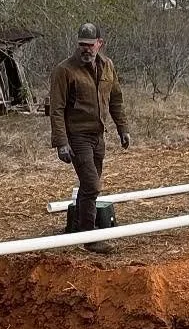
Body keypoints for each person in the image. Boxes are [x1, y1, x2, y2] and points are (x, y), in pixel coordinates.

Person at [49, 22, 130, 233]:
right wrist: (61, 143)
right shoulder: (64, 70)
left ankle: (80, 228)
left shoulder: (107, 65)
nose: (85, 49)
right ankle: (90, 235)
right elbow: (56, 109)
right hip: (77, 137)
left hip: (98, 136)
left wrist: (123, 129)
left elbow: (115, 100)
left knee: (89, 188)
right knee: (92, 185)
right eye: (81, 44)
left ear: (99, 44)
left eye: (90, 44)